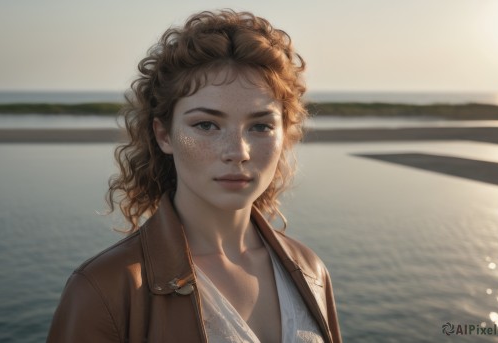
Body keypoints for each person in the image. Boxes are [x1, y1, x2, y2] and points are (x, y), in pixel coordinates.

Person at [47, 9, 342, 343]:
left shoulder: (310, 270)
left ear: (285, 135)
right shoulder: (105, 289)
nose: (238, 151)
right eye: (206, 125)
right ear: (164, 135)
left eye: (260, 126)